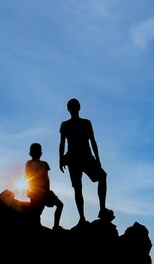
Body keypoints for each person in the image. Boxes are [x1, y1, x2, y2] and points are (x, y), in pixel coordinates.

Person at [59, 97, 114, 225]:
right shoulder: (83, 123)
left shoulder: (68, 124)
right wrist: (98, 159)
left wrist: (61, 159)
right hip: (81, 157)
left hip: (76, 158)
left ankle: (85, 216)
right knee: (83, 185)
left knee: (79, 188)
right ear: (79, 108)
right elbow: (93, 142)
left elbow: (61, 144)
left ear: (68, 109)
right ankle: (95, 211)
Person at [25, 142, 64, 231]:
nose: (37, 154)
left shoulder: (44, 164)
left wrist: (48, 190)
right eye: (35, 152)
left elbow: (47, 178)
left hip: (46, 192)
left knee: (60, 205)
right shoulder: (29, 163)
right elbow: (27, 176)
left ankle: (56, 226)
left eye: (38, 152)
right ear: (30, 154)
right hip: (35, 193)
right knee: (36, 214)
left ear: (41, 153)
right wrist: (28, 190)